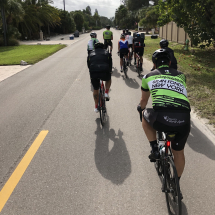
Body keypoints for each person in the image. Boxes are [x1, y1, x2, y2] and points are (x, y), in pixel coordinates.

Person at [137, 49, 191, 185]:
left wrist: (140, 109)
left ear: (154, 64)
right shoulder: (181, 76)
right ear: (170, 62)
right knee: (178, 152)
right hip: (184, 119)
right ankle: (176, 183)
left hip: (161, 118)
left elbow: (143, 101)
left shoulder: (148, 76)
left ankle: (155, 148)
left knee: (145, 115)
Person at [87, 42, 112, 113]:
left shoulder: (90, 54)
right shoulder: (107, 52)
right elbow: (110, 64)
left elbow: (88, 65)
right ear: (103, 47)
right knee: (108, 79)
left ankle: (95, 107)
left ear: (95, 48)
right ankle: (106, 92)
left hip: (94, 72)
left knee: (95, 89)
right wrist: (110, 71)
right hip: (104, 71)